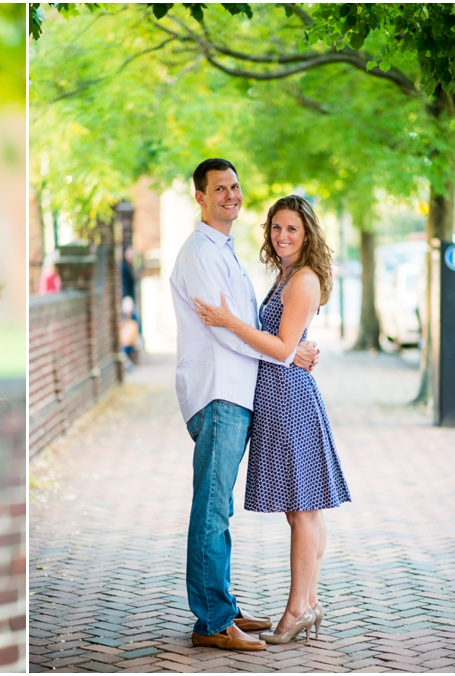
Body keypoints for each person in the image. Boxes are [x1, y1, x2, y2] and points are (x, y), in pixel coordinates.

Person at [169, 158, 320, 651]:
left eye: (235, 186)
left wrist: (288, 346)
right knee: (212, 509)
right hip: (219, 392)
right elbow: (226, 326)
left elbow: (249, 323)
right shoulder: (200, 253)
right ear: (200, 196)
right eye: (219, 189)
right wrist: (286, 350)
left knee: (221, 508)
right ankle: (212, 622)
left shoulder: (226, 251)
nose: (231, 195)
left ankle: (224, 607)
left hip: (238, 392)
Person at [194, 195, 351, 645]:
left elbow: (281, 349)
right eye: (277, 228)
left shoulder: (301, 279)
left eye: (292, 230)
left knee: (302, 511)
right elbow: (288, 343)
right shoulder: (287, 274)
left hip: (289, 402)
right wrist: (292, 345)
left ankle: (297, 610)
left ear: (308, 236)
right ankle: (310, 602)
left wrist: (228, 321)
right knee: (304, 511)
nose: (282, 236)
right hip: (282, 397)